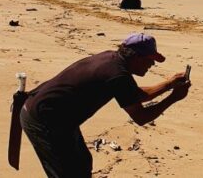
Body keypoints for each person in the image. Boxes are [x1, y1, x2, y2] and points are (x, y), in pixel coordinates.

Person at [20, 33, 191, 177]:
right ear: (137, 57)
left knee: (82, 164)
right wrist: (173, 98)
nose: (152, 64)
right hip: (45, 120)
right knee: (70, 173)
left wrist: (169, 84)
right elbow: (141, 117)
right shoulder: (117, 75)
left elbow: (135, 95)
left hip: (50, 113)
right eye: (150, 59)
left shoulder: (111, 59)